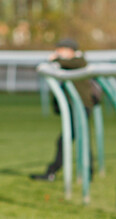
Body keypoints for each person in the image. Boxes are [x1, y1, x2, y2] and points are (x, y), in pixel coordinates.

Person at [31, 38, 99, 181]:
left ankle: (55, 171)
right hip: (77, 105)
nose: (57, 52)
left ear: (69, 50)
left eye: (60, 49)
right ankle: (82, 171)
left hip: (81, 106)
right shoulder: (72, 62)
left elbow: (70, 63)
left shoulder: (79, 61)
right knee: (73, 139)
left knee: (73, 139)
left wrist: (55, 60)